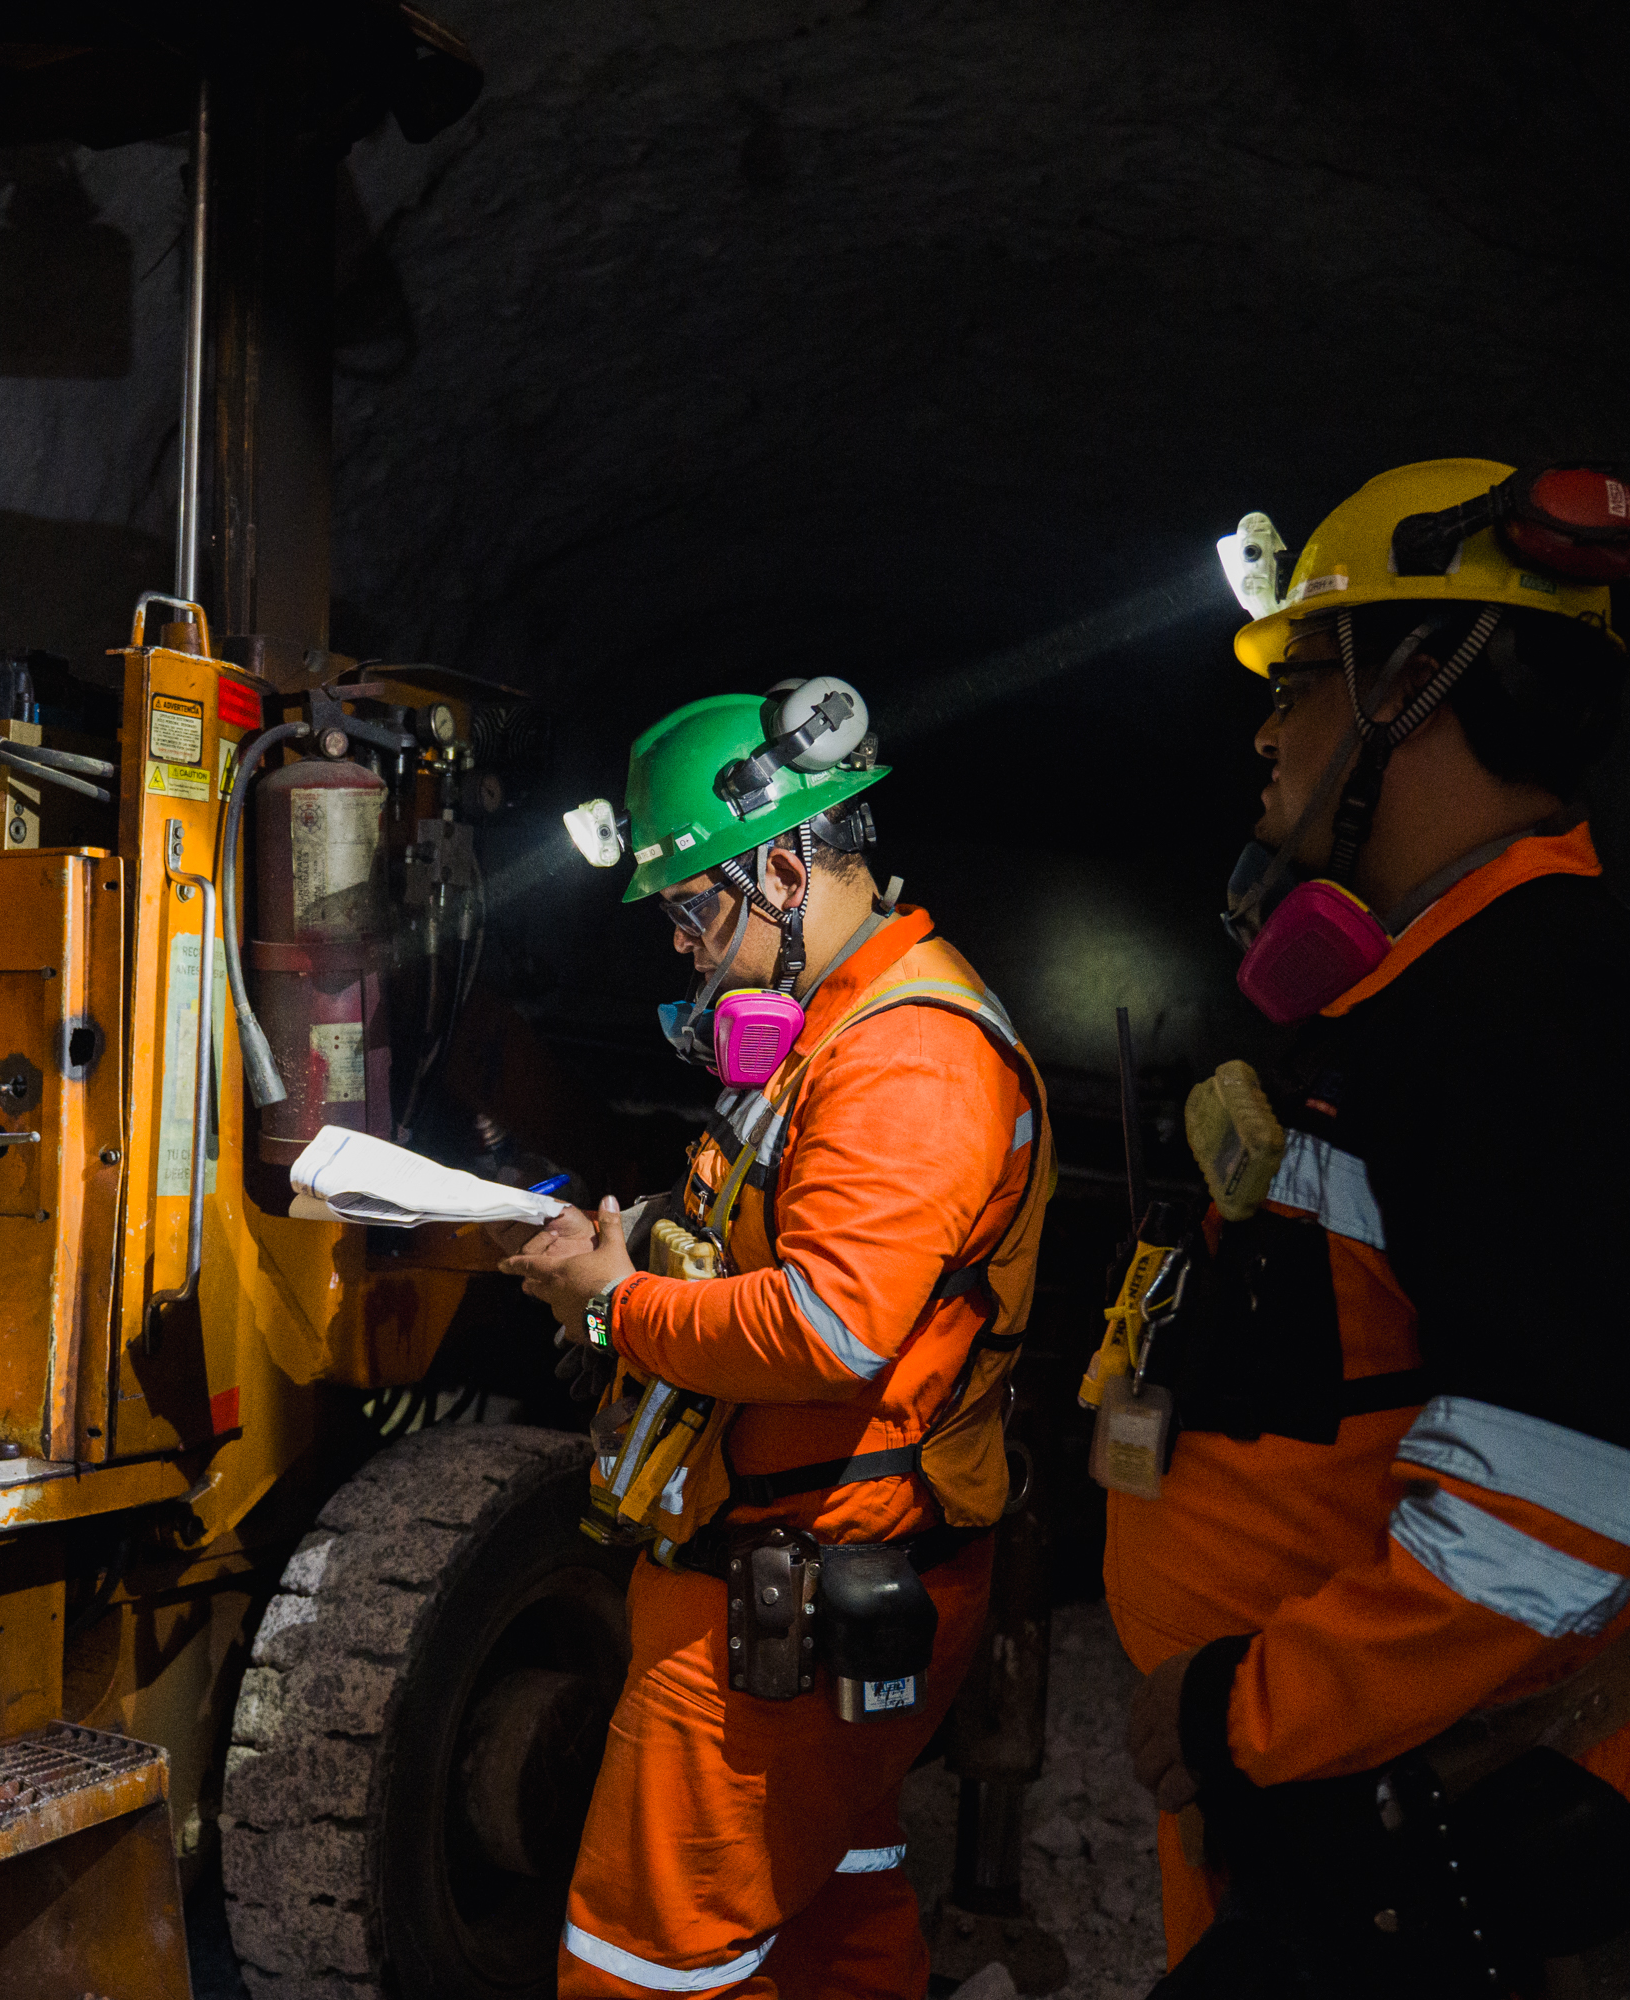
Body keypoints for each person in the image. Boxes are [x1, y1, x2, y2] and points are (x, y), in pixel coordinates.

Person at [1108, 460, 1630, 1997]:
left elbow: (1564, 1496)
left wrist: (1246, 1711)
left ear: (1414, 688)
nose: (1267, 730)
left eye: (1299, 682)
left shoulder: (1542, 1014)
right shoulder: (1439, 994)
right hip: (1344, 1822)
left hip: (1435, 1851)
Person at [505, 679, 1053, 1999]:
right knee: (832, 1924)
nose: (682, 949)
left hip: (792, 1601)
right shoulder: (841, 1031)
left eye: (696, 911)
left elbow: (827, 1325)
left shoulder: (907, 1059)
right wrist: (646, 1241)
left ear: (787, 870)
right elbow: (780, 1245)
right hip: (804, 1578)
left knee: (645, 1964)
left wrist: (615, 1304)